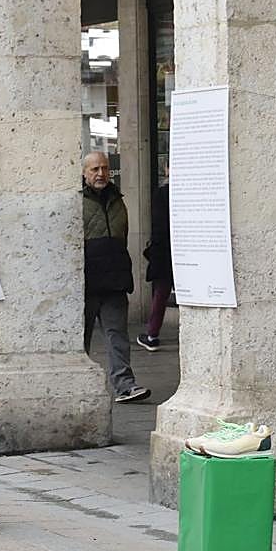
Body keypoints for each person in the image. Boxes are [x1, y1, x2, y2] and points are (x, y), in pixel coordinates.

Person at [81, 151, 149, 403]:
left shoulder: (117, 200)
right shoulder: (77, 201)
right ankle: (79, 384)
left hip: (114, 282)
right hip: (86, 284)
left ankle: (125, 385)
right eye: (95, 169)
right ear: (84, 173)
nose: (101, 174)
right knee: (81, 339)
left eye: (105, 169)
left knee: (118, 336)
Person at [136, 172, 171, 351]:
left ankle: (152, 334)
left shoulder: (162, 194)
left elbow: (158, 227)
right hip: (186, 250)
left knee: (161, 294)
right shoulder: (187, 191)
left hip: (165, 252)